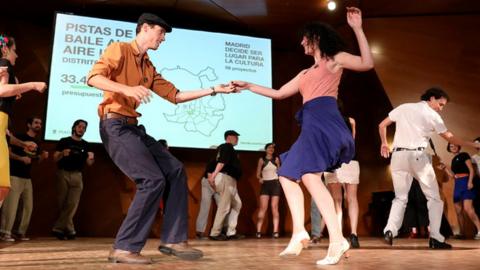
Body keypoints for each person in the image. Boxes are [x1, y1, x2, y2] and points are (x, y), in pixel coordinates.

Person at [87, 13, 235, 264]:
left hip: (133, 127)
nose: (163, 38)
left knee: (175, 169)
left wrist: (213, 89)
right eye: (161, 32)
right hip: (115, 125)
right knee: (152, 179)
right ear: (145, 28)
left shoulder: (147, 65)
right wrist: (127, 88)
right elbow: (92, 78)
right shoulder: (119, 49)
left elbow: (175, 96)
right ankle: (123, 248)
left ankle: (173, 239)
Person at [232, 7, 373, 265]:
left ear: (315, 38)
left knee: (308, 176)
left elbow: (367, 63)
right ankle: (300, 232)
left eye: (304, 38)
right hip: (310, 125)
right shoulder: (304, 73)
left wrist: (357, 28)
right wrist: (249, 85)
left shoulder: (334, 59)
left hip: (326, 123)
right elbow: (278, 93)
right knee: (287, 173)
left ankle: (337, 239)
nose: (301, 43)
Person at [379, 87, 480, 249]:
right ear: (432, 98)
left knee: (400, 198)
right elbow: (450, 137)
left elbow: (382, 125)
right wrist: (472, 144)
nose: (441, 108)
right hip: (418, 157)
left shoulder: (404, 107)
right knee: (434, 198)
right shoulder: (433, 116)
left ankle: (390, 229)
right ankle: (436, 238)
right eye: (440, 104)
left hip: (397, 157)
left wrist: (384, 143)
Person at [0, 34, 46, 207]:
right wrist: (32, 85)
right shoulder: (4, 63)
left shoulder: (6, 67)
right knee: (2, 186)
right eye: (15, 51)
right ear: (5, 50)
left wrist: (23, 144)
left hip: (2, 123)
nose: (17, 55)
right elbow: (2, 91)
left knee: (3, 187)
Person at [0, 116, 48, 242]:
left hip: (27, 177)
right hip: (14, 175)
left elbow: (36, 159)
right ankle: (5, 232)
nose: (39, 125)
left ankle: (20, 232)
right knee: (11, 206)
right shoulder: (19, 137)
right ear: (29, 124)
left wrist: (43, 156)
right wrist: (20, 158)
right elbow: (8, 152)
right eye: (36, 122)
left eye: (40, 123)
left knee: (28, 206)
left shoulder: (37, 142)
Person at [51, 119, 94, 240]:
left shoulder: (86, 145)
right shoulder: (64, 141)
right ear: (74, 127)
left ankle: (58, 229)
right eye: (79, 126)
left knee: (72, 204)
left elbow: (89, 163)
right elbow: (54, 159)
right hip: (63, 173)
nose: (81, 129)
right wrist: (61, 154)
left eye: (84, 128)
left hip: (77, 175)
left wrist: (91, 158)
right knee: (62, 203)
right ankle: (70, 230)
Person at [325, 114, 361, 248]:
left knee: (337, 201)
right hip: (350, 160)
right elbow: (352, 140)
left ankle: (338, 236)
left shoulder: (326, 120)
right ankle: (354, 234)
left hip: (333, 161)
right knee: (352, 198)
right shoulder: (351, 120)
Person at [208, 130, 243, 241]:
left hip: (231, 180)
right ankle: (215, 233)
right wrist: (213, 175)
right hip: (225, 178)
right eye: (235, 136)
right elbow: (221, 162)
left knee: (237, 204)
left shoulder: (227, 148)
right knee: (224, 206)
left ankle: (231, 232)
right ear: (228, 137)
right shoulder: (227, 146)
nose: (237, 138)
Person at [440, 143, 480, 239]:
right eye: (450, 146)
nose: (453, 147)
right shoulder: (453, 160)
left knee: (468, 209)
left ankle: (479, 230)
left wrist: (470, 182)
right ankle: (461, 233)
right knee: (458, 211)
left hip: (466, 182)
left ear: (458, 146)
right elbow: (453, 176)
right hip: (457, 185)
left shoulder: (464, 155)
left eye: (454, 146)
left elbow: (471, 169)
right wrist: (445, 168)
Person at [255, 143, 281, 238]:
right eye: (269, 147)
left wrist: (278, 164)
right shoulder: (261, 160)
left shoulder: (276, 159)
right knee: (263, 208)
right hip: (265, 184)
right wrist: (259, 178)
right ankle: (258, 231)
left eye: (273, 148)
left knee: (274, 207)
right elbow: (257, 174)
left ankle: (275, 231)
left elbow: (280, 172)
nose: (271, 149)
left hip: (275, 184)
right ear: (265, 149)